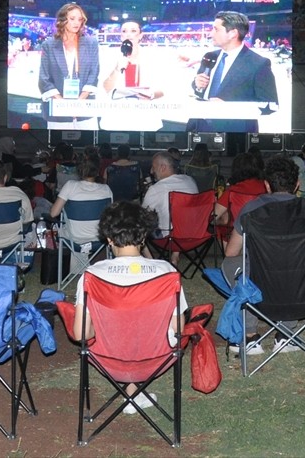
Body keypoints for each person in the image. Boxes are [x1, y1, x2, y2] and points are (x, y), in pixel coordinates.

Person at [71, 201, 187, 415]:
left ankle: (133, 391)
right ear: (143, 238)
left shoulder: (91, 276)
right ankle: (135, 391)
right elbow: (178, 328)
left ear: (108, 238)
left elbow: (80, 334)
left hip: (108, 360)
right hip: (156, 359)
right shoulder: (168, 273)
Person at [220, 155, 304, 357]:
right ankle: (286, 333)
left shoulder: (252, 209)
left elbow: (231, 252)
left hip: (260, 281)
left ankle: (250, 335)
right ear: (297, 185)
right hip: (299, 282)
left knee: (232, 264)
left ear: (267, 185)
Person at [188, 10, 278, 133]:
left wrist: (229, 107)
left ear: (232, 33)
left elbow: (271, 105)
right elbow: (198, 90)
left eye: (216, 29)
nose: (210, 34)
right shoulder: (210, 56)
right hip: (199, 127)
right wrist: (197, 85)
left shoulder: (258, 63)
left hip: (235, 132)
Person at [37, 2, 100, 124]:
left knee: (90, 142)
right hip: (58, 111)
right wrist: (63, 104)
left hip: (85, 110)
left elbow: (94, 73)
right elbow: (44, 78)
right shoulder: (48, 45)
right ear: (62, 20)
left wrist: (80, 101)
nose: (77, 23)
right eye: (72, 19)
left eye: (80, 19)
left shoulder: (91, 43)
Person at [50, 155, 115, 243]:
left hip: (72, 238)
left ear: (79, 171)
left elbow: (53, 213)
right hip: (99, 238)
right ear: (97, 171)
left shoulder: (70, 186)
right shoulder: (106, 189)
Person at [101, 20, 163, 99]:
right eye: (124, 31)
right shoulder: (111, 56)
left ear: (140, 35)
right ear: (121, 36)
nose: (128, 34)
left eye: (133, 31)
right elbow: (106, 88)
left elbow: (163, 88)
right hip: (119, 106)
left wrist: (151, 95)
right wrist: (116, 69)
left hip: (145, 106)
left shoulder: (152, 57)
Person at [141, 151, 198, 235]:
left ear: (163, 167)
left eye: (153, 167)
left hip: (170, 239)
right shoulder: (190, 180)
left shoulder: (156, 189)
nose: (151, 171)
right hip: (195, 235)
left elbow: (142, 215)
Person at [213, 152, 268, 227]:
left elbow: (212, 218)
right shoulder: (267, 187)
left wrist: (225, 221)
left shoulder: (231, 192)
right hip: (263, 233)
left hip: (239, 234)